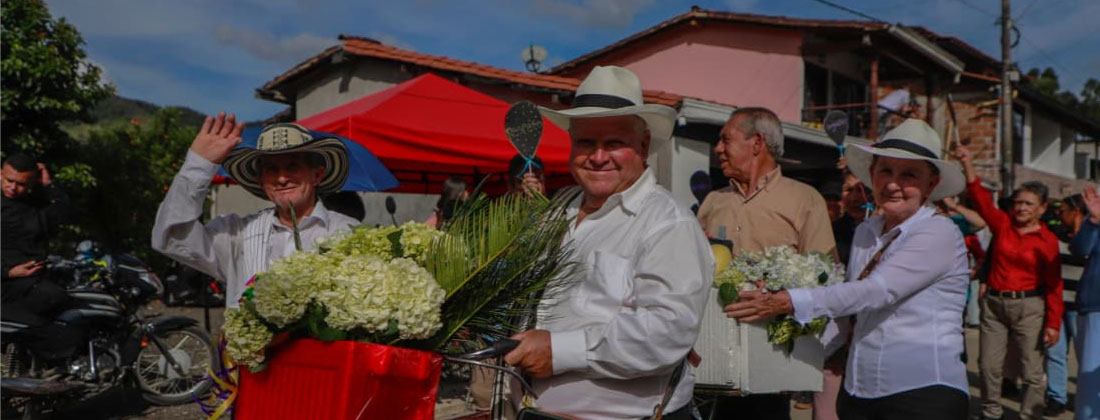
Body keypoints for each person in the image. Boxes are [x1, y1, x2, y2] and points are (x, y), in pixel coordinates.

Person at [503, 65, 712, 420]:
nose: (598, 157)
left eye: (614, 143)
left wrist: (560, 351)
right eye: (586, 142)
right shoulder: (559, 210)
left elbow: (667, 332)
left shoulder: (667, 223)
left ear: (643, 145)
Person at [728, 119, 971, 420]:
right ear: (872, 174)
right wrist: (797, 346)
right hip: (858, 391)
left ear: (931, 184)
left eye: (908, 174)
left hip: (922, 391)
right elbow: (848, 307)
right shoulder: (867, 231)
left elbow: (878, 290)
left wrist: (789, 300)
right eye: (885, 171)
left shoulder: (939, 232)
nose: (892, 184)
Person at [696, 106, 837, 420]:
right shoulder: (714, 201)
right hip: (712, 360)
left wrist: (780, 298)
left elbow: (825, 276)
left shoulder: (804, 199)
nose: (718, 149)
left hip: (771, 363)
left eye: (725, 139)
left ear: (757, 143)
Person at [152, 115, 358, 308]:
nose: (282, 178)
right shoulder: (236, 234)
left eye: (293, 166)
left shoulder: (346, 231)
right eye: (271, 169)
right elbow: (172, 237)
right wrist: (198, 166)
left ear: (317, 175)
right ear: (261, 181)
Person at [954, 145, 1063, 420]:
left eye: (1029, 204)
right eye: (1018, 202)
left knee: (1031, 370)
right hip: (994, 304)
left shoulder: (1048, 241)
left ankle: (1030, 414)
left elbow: (1054, 284)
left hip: (1030, 308)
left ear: (1042, 208)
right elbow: (980, 198)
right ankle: (991, 412)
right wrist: (967, 163)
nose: (1021, 208)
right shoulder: (1003, 225)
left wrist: (1053, 323)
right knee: (989, 366)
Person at [1, 153, 74, 326]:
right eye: (9, 180)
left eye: (21, 184)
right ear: (1, 174)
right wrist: (8, 272)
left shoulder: (35, 206)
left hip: (32, 282)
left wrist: (48, 185)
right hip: (7, 285)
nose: (13, 188)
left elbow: (66, 213)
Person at [1071, 186, 1100, 420]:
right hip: (1096, 308)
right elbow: (1080, 249)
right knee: (1091, 383)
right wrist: (1094, 220)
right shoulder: (1095, 221)